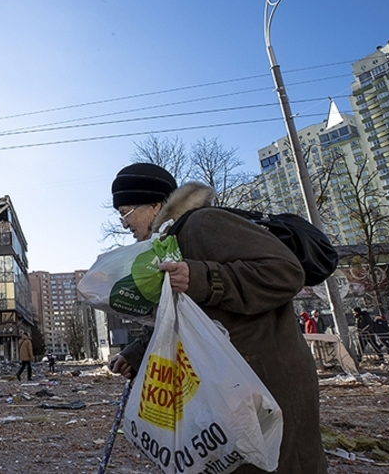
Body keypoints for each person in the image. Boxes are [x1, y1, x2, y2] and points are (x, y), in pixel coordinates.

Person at [107, 162, 327, 474]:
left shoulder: (204, 223)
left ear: (156, 204)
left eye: (127, 211)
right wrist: (137, 352)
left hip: (266, 378)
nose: (123, 221)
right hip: (231, 381)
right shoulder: (169, 242)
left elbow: (286, 271)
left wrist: (200, 278)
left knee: (278, 464)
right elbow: (180, 314)